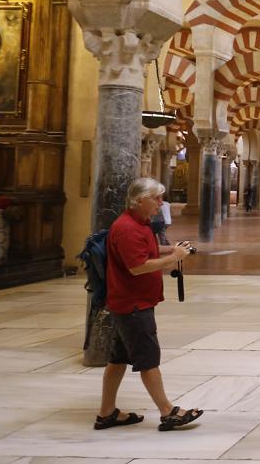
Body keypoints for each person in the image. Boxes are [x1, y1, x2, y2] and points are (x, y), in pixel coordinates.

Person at [96, 177, 202, 432]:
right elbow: (136, 267)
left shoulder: (139, 224)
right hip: (133, 305)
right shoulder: (127, 228)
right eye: (156, 198)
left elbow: (145, 253)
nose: (160, 202)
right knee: (148, 359)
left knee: (118, 360)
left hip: (130, 303)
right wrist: (173, 258)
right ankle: (168, 412)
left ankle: (106, 413)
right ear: (139, 200)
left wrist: (170, 251)